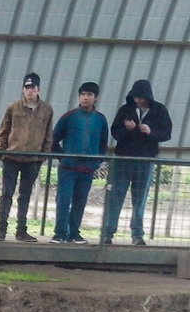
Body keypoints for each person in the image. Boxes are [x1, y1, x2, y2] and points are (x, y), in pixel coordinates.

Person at [105, 80, 172, 245]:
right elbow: (115, 131)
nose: (139, 100)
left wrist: (151, 132)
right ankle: (107, 233)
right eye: (136, 97)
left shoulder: (159, 110)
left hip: (145, 160)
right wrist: (127, 130)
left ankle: (137, 234)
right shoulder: (125, 110)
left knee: (140, 198)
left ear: (148, 96)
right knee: (116, 195)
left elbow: (166, 133)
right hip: (123, 159)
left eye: (142, 97)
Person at [0, 72, 54, 241]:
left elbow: (48, 135)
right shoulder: (13, 108)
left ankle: (21, 230)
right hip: (11, 157)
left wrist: (42, 156)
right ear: (23, 89)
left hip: (32, 160)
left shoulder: (47, 109)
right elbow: (3, 132)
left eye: (33, 87)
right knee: (7, 193)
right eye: (27, 87)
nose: (30, 91)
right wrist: (2, 152)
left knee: (25, 195)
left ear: (38, 89)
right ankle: (1, 229)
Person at [50, 82, 109, 244]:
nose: (85, 98)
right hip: (68, 168)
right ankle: (60, 233)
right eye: (83, 94)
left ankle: (74, 232)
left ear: (95, 98)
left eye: (89, 95)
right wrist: (62, 157)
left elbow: (103, 143)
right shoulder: (69, 117)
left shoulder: (101, 120)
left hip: (87, 170)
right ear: (79, 96)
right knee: (63, 200)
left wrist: (97, 161)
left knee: (80, 201)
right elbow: (54, 139)